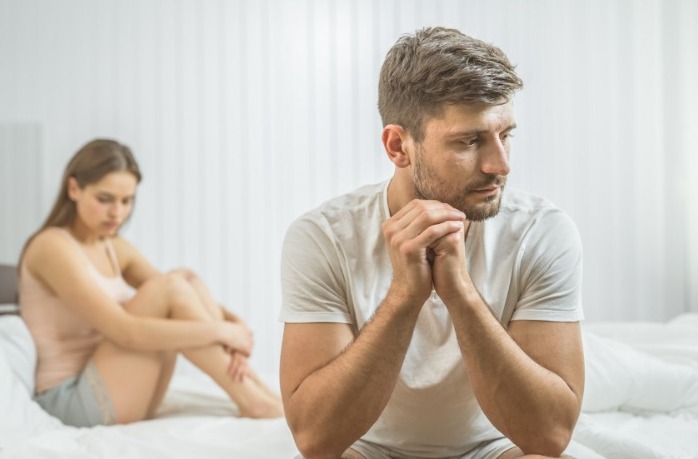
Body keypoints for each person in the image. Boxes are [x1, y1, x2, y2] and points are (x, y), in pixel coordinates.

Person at [279, 27, 585, 459]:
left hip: (495, 449)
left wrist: (461, 293)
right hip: (367, 450)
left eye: (505, 135)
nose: (500, 165)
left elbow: (549, 435)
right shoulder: (323, 237)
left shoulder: (541, 232)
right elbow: (316, 438)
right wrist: (404, 296)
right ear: (398, 146)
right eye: (469, 141)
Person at [19, 138, 283, 427]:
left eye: (126, 201)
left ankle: (258, 393)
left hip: (122, 387)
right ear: (73, 189)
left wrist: (234, 324)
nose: (117, 213)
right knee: (170, 287)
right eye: (104, 199)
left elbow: (184, 291)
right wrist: (222, 332)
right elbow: (126, 333)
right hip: (71, 400)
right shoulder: (51, 247)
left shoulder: (112, 246)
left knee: (184, 278)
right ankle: (254, 400)